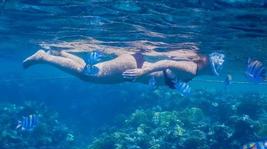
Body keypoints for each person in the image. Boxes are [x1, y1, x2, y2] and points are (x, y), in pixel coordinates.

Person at [22, 49, 225, 89]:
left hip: (134, 63)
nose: (215, 71)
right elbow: (165, 64)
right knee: (87, 75)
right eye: (216, 67)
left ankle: (62, 54)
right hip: (133, 67)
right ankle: (43, 57)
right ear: (208, 66)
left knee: (87, 71)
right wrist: (142, 73)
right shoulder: (190, 69)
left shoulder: (193, 69)